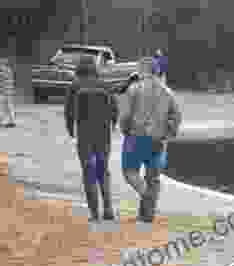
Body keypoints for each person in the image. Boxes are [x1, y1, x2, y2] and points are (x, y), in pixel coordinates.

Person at [119, 57, 181, 223]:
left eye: (139, 68)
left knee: (129, 172)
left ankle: (147, 196)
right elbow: (176, 117)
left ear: (143, 70)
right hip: (158, 139)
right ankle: (147, 216)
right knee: (153, 177)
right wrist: (168, 134)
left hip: (136, 136)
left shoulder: (134, 89)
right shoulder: (168, 92)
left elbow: (125, 115)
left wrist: (125, 130)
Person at [64, 56, 118, 222]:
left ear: (79, 68)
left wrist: (70, 128)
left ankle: (95, 214)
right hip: (103, 133)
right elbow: (114, 109)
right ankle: (108, 208)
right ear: (95, 68)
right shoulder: (105, 85)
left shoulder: (75, 85)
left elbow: (69, 111)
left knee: (89, 171)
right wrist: (113, 125)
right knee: (103, 169)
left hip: (85, 133)